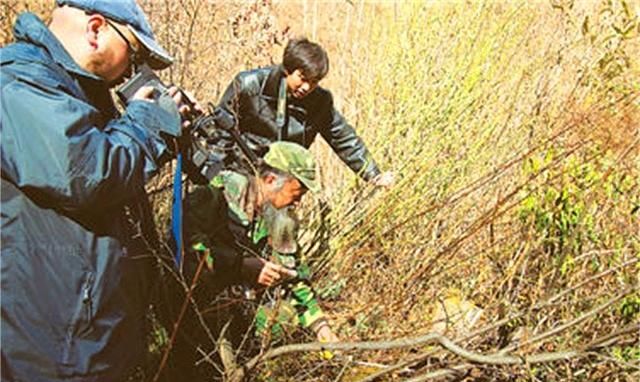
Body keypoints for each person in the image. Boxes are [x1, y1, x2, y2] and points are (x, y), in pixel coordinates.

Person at [0, 1, 194, 380]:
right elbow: (87, 172)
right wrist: (146, 123)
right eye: (135, 54)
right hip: (45, 350)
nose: (134, 72)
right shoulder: (17, 82)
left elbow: (111, 185)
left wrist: (167, 135)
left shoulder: (75, 91)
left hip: (87, 342)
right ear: (96, 29)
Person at [163, 142, 336, 379]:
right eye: (296, 193)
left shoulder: (282, 221)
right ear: (270, 180)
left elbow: (295, 276)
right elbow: (187, 250)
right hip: (192, 305)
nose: (298, 203)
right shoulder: (217, 195)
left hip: (240, 304)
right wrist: (241, 266)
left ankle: (244, 357)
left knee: (285, 320)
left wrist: (320, 326)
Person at [213, 37, 395, 187]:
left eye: (314, 81)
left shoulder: (320, 102)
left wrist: (373, 175)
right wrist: (216, 176)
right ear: (287, 68)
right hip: (239, 172)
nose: (306, 87)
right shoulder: (249, 84)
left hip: (282, 185)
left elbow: (344, 139)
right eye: (302, 78)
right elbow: (219, 133)